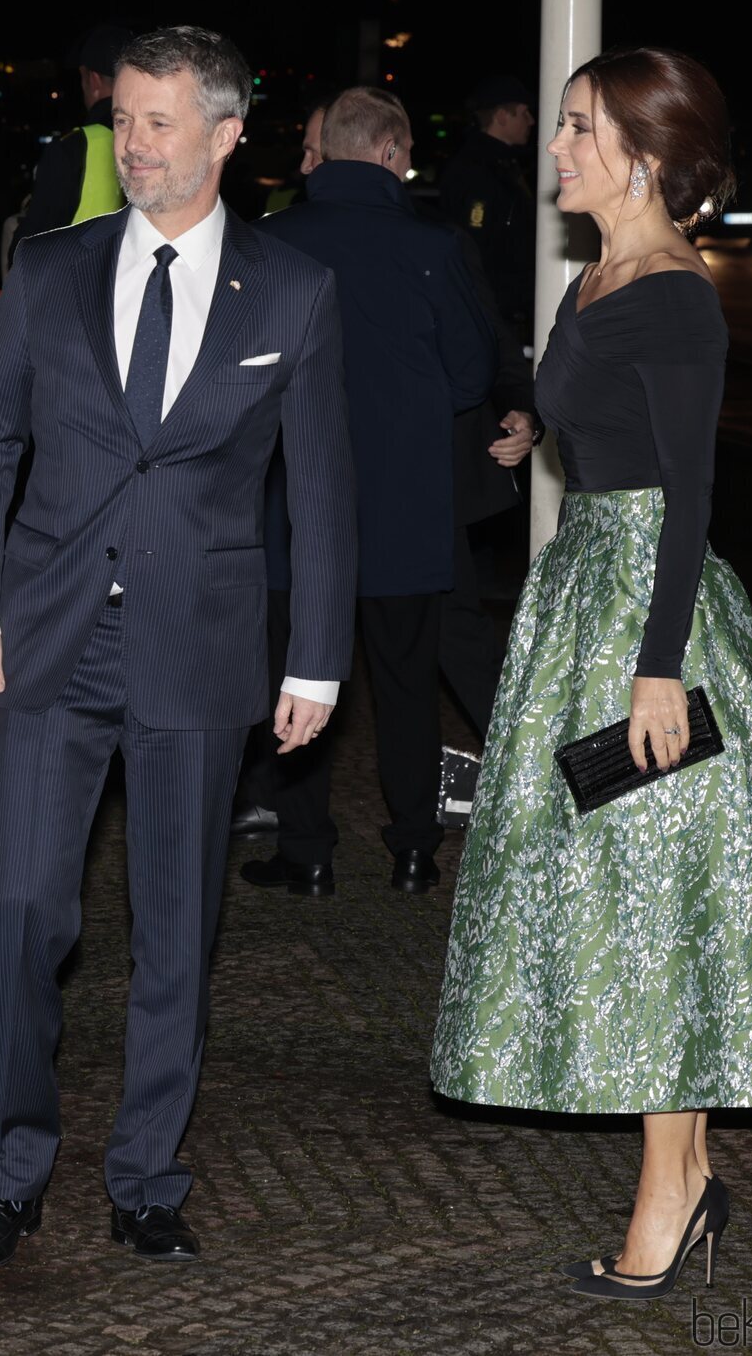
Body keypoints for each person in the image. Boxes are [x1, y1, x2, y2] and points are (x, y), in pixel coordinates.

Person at [0, 25, 356, 1272]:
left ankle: (145, 1179)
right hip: (50, 644)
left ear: (227, 135)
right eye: (123, 118)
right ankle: (10, 1170)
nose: (132, 144)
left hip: (201, 649)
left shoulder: (293, 291)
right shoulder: (53, 266)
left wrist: (316, 660)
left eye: (160, 121)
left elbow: (323, 490)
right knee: (21, 911)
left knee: (175, 933)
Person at [431, 47, 752, 1301]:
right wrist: (534, 426)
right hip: (586, 599)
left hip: (647, 616)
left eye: (576, 129)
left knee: (649, 906)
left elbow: (689, 493)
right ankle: (691, 1174)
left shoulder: (669, 292)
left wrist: (657, 672)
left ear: (643, 159)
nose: (552, 147)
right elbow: (603, 425)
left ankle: (665, 1208)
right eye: (555, 126)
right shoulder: (598, 273)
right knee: (639, 893)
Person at [243, 86, 496, 896]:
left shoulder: (269, 243)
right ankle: (414, 848)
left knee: (295, 679)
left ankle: (307, 848)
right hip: (402, 505)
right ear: (391, 152)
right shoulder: (433, 247)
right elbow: (469, 375)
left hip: (292, 507)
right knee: (407, 683)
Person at [8, 23, 129, 260]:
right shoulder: (161, 138)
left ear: (92, 80)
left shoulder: (73, 147)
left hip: (77, 290)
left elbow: (27, 249)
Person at [439, 75, 536, 339]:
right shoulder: (480, 169)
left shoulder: (504, 164)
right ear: (502, 116)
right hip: (493, 311)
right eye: (524, 113)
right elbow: (474, 242)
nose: (531, 121)